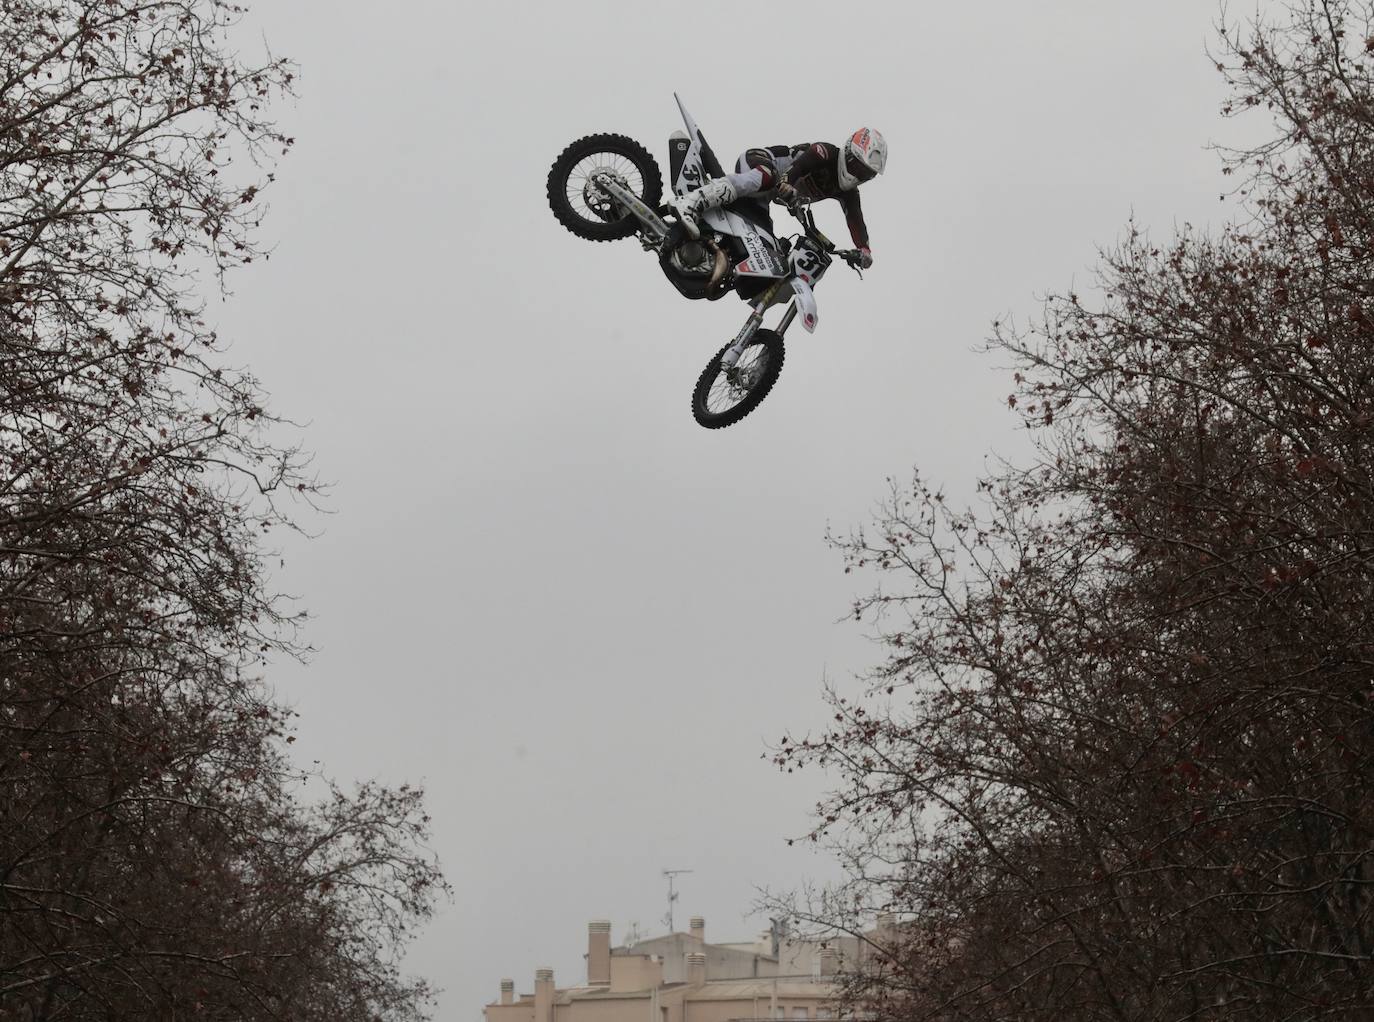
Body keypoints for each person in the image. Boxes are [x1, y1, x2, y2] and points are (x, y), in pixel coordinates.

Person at [669, 128, 887, 269]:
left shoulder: (848, 193)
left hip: (766, 195)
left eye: (866, 174)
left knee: (763, 244)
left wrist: (864, 251)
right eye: (858, 166)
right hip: (761, 162)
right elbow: (799, 167)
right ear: (849, 152)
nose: (858, 175)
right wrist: (787, 183)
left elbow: (856, 221)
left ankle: (707, 256)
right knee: (768, 176)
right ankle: (692, 202)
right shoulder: (825, 152)